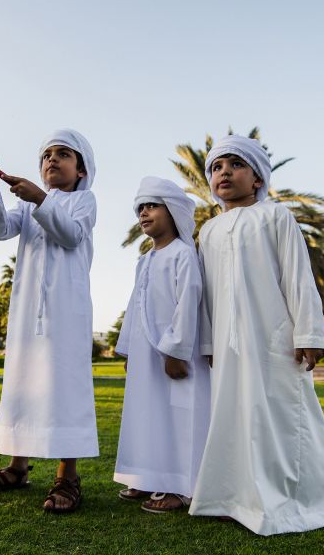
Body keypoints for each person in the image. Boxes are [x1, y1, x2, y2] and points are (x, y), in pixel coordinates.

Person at [188, 135, 324, 535]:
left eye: (234, 165)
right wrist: (207, 342)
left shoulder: (276, 216)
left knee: (280, 419)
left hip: (275, 338)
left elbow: (297, 275)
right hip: (226, 343)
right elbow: (206, 292)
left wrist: (309, 332)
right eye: (216, 168)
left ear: (257, 178)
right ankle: (234, 498)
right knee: (234, 419)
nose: (224, 173)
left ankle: (296, 502)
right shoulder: (208, 230)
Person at [0, 129, 98, 514]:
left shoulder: (84, 201)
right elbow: (0, 230)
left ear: (81, 169)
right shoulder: (26, 206)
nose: (52, 160)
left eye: (63, 154)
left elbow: (71, 235)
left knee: (65, 388)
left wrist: (39, 198)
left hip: (66, 313)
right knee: (22, 383)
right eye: (46, 156)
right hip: (26, 311)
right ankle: (17, 468)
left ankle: (67, 477)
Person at [113, 177, 211, 514]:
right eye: (140, 207)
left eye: (152, 205)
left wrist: (175, 352)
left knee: (181, 418)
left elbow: (189, 303)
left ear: (174, 212)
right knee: (148, 415)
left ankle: (184, 488)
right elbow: (135, 305)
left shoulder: (184, 254)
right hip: (145, 356)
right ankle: (150, 475)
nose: (143, 213)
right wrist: (127, 349)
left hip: (174, 357)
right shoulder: (145, 259)